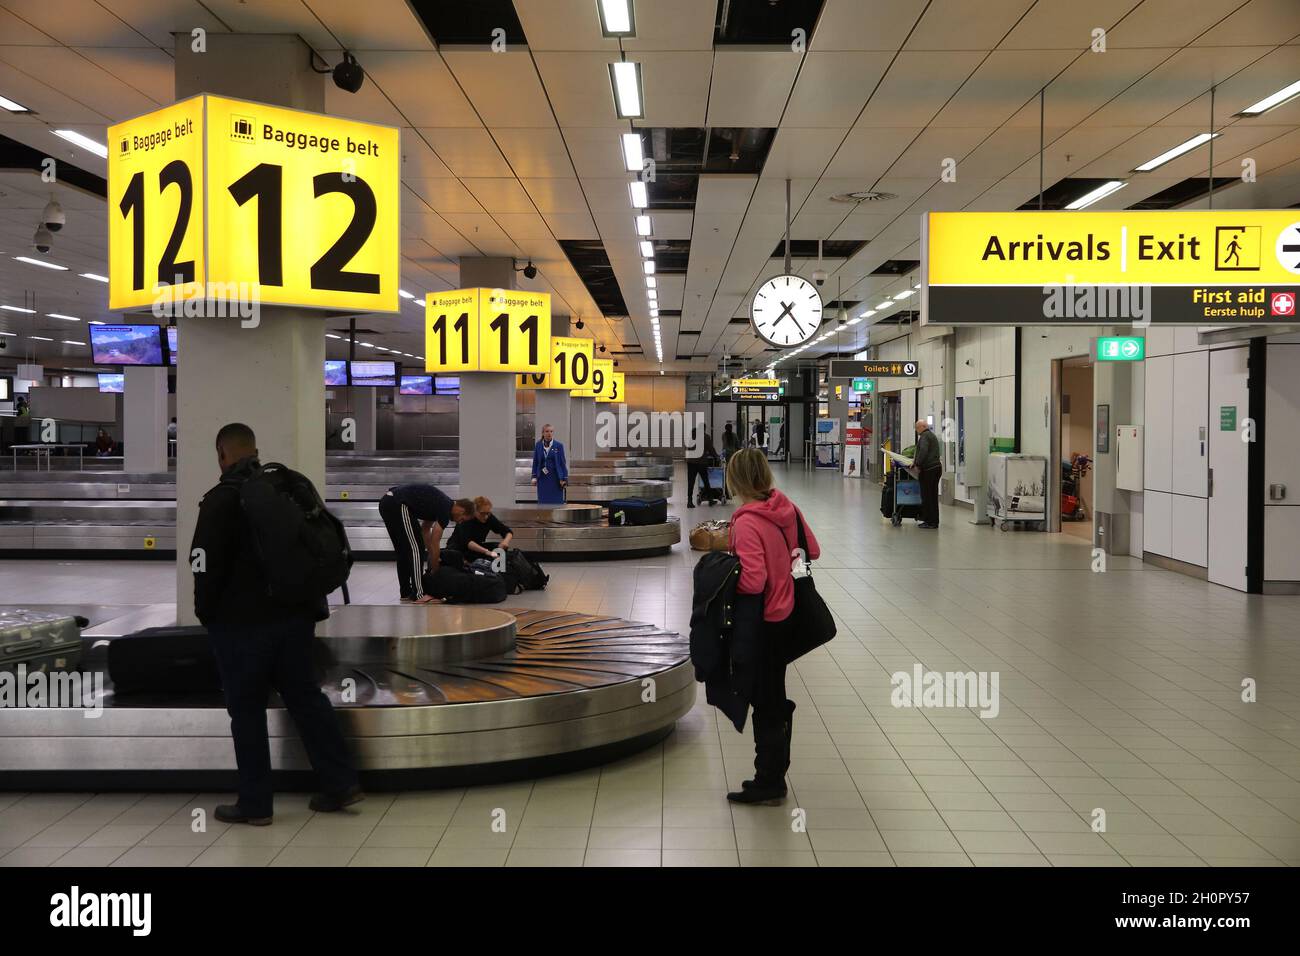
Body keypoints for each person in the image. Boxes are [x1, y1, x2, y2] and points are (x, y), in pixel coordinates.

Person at [192, 422, 361, 826]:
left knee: (246, 711)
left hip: (241, 627)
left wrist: (207, 614)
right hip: (295, 618)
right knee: (305, 697)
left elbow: (203, 564)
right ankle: (339, 782)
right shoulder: (285, 489)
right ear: (255, 450)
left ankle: (255, 804)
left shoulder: (220, 500)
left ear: (222, 455)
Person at [724, 448, 819, 805]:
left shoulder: (746, 521)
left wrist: (725, 574)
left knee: (765, 700)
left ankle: (769, 780)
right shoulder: (787, 507)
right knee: (772, 693)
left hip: (764, 621)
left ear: (736, 479)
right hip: (790, 614)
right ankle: (773, 773)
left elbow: (753, 580)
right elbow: (814, 550)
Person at [379, 483, 471, 603]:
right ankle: (419, 594)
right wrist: (435, 567)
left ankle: (406, 592)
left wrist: (432, 554)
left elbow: (425, 530)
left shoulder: (439, 504)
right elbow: (435, 540)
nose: (459, 522)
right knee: (416, 549)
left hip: (387, 502)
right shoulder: (445, 510)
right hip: (397, 503)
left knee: (403, 551)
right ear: (461, 509)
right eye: (462, 519)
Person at [447, 495, 514, 562]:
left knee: (499, 548)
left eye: (487, 513)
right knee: (457, 556)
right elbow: (467, 542)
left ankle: (498, 569)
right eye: (482, 513)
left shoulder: (489, 517)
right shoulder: (467, 518)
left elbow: (507, 531)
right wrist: (487, 552)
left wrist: (505, 542)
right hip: (458, 548)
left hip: (475, 548)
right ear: (475, 511)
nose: (485, 516)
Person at [913, 419, 942, 529]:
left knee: (927, 496)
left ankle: (929, 521)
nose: (917, 431)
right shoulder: (931, 435)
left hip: (929, 470)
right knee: (933, 496)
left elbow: (923, 451)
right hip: (936, 468)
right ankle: (934, 521)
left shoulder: (924, 437)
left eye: (917, 428)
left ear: (922, 427)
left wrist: (917, 464)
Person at [531, 423, 568, 504]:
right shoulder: (538, 445)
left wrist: (564, 478)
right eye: (547, 431)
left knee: (556, 502)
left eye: (551, 431)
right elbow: (535, 461)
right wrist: (534, 477)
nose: (549, 433)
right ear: (543, 433)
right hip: (542, 478)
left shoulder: (559, 445)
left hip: (555, 478)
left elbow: (562, 463)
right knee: (543, 501)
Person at [685, 428, 717, 508]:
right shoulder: (706, 437)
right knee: (706, 481)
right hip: (701, 462)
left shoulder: (691, 437)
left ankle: (689, 502)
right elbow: (711, 449)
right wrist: (716, 456)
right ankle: (710, 500)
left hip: (691, 462)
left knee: (690, 482)